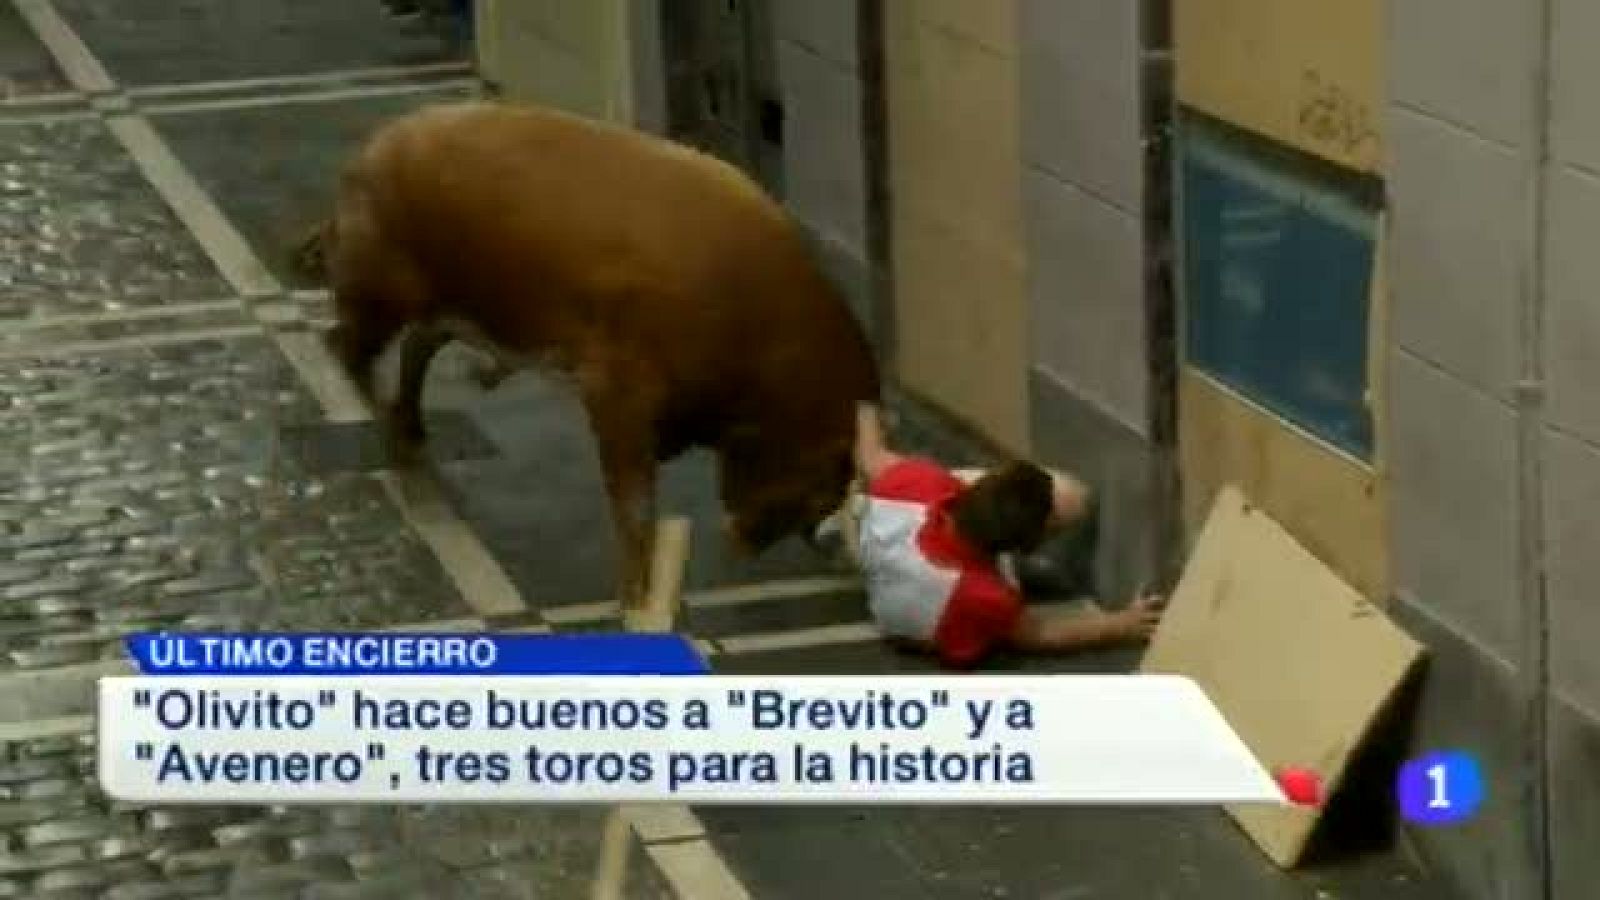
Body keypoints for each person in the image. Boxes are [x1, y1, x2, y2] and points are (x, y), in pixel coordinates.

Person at [835, 403, 1164, 670]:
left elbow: (870, 456)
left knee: (874, 486)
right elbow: (1041, 634)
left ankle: (842, 520)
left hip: (885, 550)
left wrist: (865, 402)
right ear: (1025, 546)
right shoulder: (988, 595)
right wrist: (1122, 624)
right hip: (936, 603)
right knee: (1071, 496)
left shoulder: (918, 486)